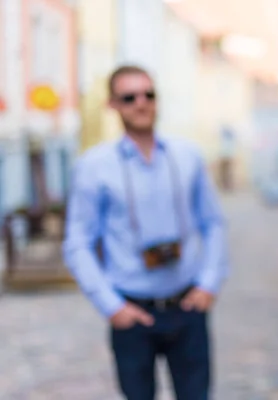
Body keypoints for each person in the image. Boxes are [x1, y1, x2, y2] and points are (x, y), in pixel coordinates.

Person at [63, 65, 228, 400]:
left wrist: (209, 283)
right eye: (129, 97)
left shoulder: (187, 155)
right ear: (113, 104)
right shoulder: (94, 166)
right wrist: (111, 306)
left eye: (148, 94)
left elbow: (213, 223)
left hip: (187, 307)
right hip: (132, 312)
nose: (141, 103)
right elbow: (78, 243)